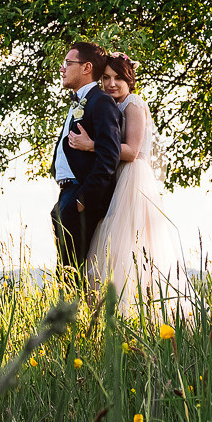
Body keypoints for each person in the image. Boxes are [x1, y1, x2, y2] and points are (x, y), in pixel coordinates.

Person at [67, 51, 177, 309]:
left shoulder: (134, 103)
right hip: (115, 179)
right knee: (110, 252)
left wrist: (92, 145)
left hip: (133, 179)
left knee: (131, 246)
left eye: (118, 78)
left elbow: (133, 150)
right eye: (106, 78)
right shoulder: (109, 106)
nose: (111, 84)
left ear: (130, 81)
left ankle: (141, 309)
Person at [51, 41, 123, 273]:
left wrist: (84, 199)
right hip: (67, 196)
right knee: (67, 271)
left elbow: (109, 155)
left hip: (80, 197)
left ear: (86, 67)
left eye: (67, 63)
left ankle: (74, 311)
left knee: (72, 273)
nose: (62, 69)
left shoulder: (100, 101)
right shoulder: (80, 101)